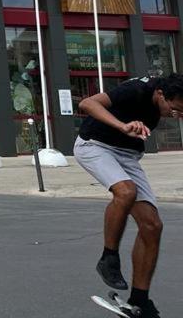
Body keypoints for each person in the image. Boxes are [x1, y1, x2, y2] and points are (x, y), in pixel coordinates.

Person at [75, 73, 183, 318]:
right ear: (160, 95)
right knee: (126, 191)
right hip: (94, 145)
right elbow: (87, 103)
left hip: (127, 155)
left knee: (152, 225)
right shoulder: (136, 89)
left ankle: (140, 300)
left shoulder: (172, 95)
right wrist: (123, 126)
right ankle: (108, 258)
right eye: (173, 109)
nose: (173, 115)